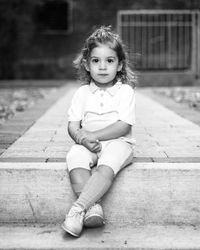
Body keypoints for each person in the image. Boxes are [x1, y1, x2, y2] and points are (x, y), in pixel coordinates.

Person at [62, 26, 136, 237]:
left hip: (119, 143)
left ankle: (77, 210)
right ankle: (94, 207)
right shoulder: (82, 93)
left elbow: (124, 125)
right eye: (96, 61)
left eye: (109, 61)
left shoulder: (125, 91)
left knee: (106, 165)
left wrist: (92, 135)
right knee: (74, 157)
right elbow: (73, 125)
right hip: (88, 143)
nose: (102, 67)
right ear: (87, 64)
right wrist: (82, 140)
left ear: (120, 64)